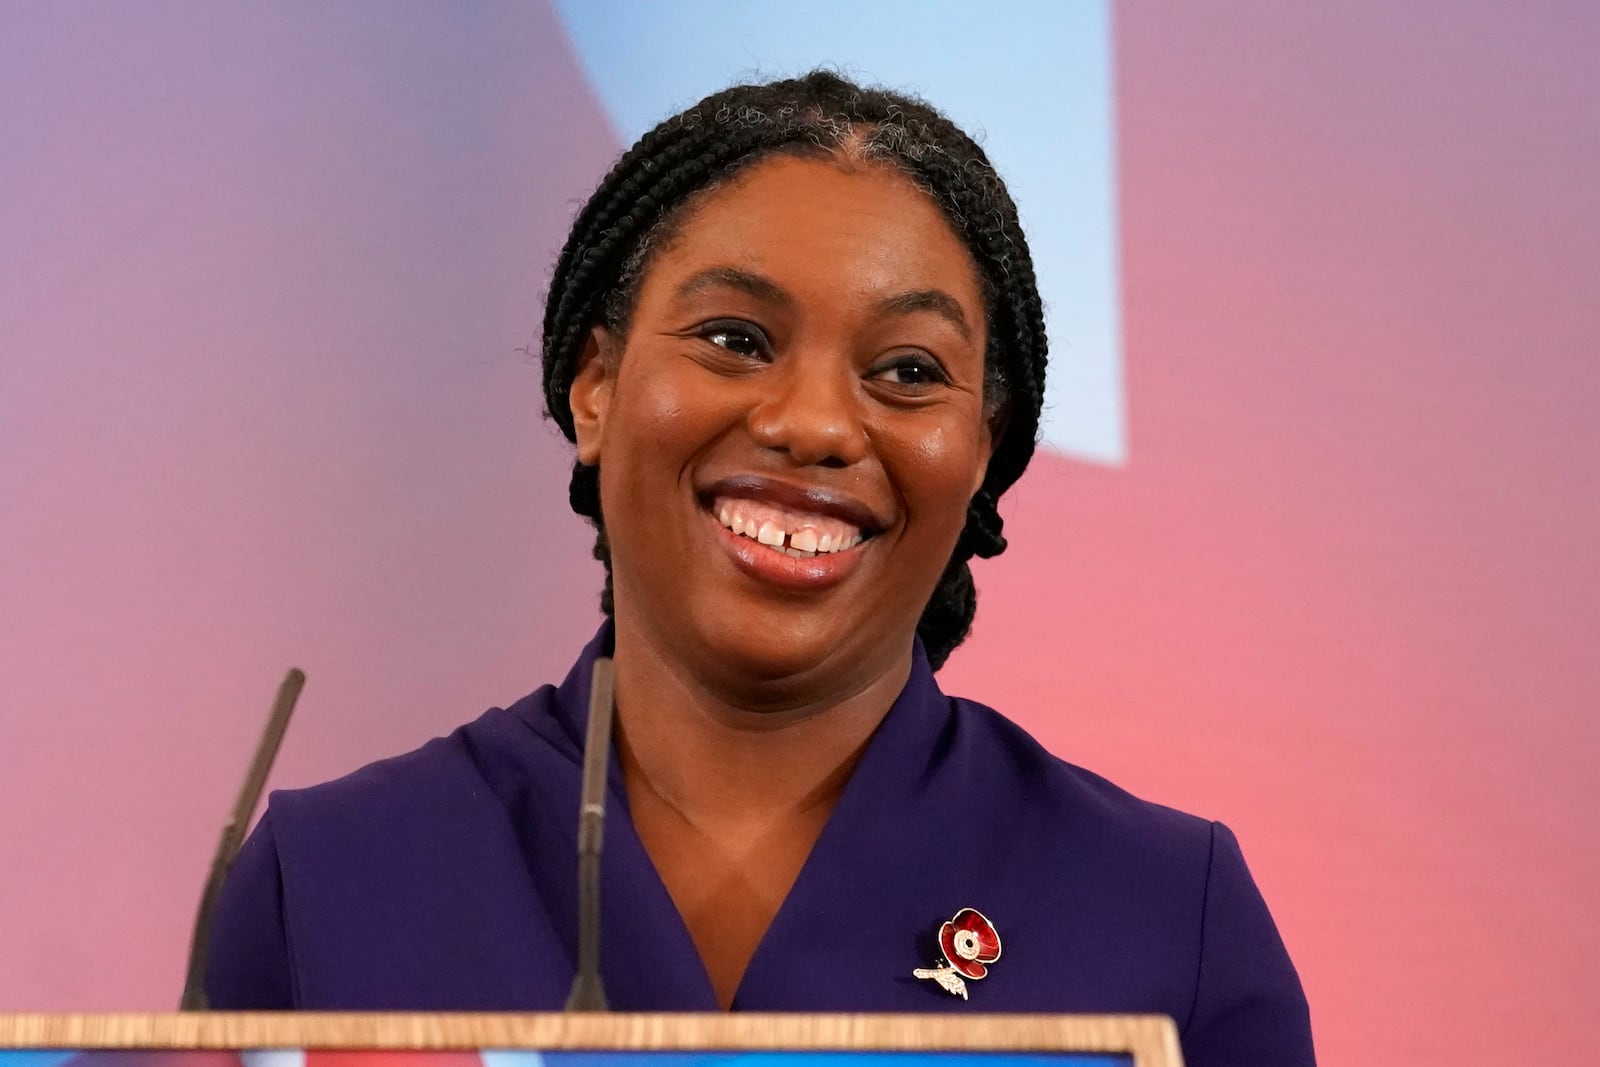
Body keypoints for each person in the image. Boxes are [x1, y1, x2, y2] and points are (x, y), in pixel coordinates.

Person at [206, 71, 1315, 1065]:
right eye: (736, 338)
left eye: (907, 369)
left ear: (981, 448)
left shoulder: (1167, 909)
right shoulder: (334, 873)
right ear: (595, 386)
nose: (815, 423)